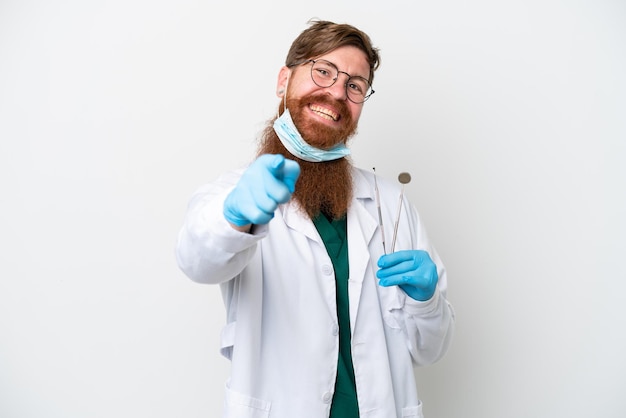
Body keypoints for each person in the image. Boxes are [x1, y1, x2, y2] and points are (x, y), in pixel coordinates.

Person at [175, 19, 455, 418]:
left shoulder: (390, 205)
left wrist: (427, 301)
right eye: (323, 71)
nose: (337, 92)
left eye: (355, 85)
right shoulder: (236, 191)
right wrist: (235, 216)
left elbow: (431, 349)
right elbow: (196, 260)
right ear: (284, 80)